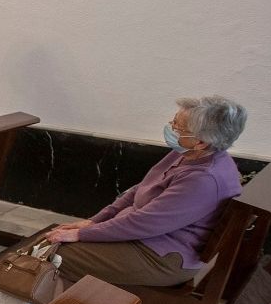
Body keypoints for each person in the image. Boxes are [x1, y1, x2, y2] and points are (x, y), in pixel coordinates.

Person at [42, 97, 247, 287]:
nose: (171, 128)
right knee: (52, 242)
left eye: (178, 127)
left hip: (161, 255)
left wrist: (82, 234)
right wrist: (95, 221)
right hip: (147, 237)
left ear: (201, 141)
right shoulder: (188, 153)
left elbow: (144, 223)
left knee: (53, 254)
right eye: (174, 121)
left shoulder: (204, 179)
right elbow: (140, 189)